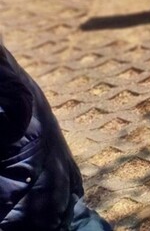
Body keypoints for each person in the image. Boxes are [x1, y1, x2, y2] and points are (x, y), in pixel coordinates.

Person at [0, 39, 113, 230]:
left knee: (70, 218)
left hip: (27, 186)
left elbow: (12, 111)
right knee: (75, 217)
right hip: (39, 164)